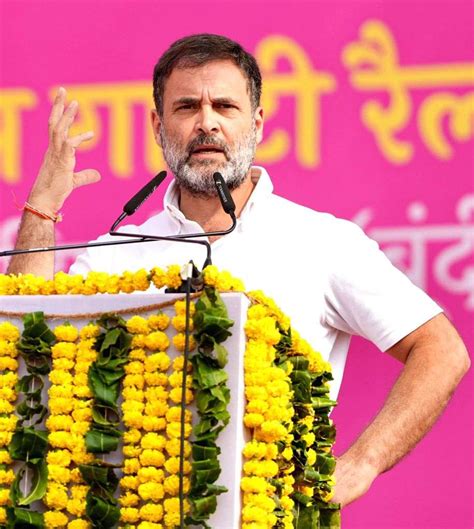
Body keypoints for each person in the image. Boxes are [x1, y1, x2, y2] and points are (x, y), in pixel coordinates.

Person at [7, 34, 470, 508]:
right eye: (186, 107)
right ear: (157, 125)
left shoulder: (322, 241)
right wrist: (42, 207)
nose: (206, 123)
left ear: (257, 124)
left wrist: (363, 463)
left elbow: (441, 350)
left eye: (224, 107)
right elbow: (27, 345)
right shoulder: (115, 253)